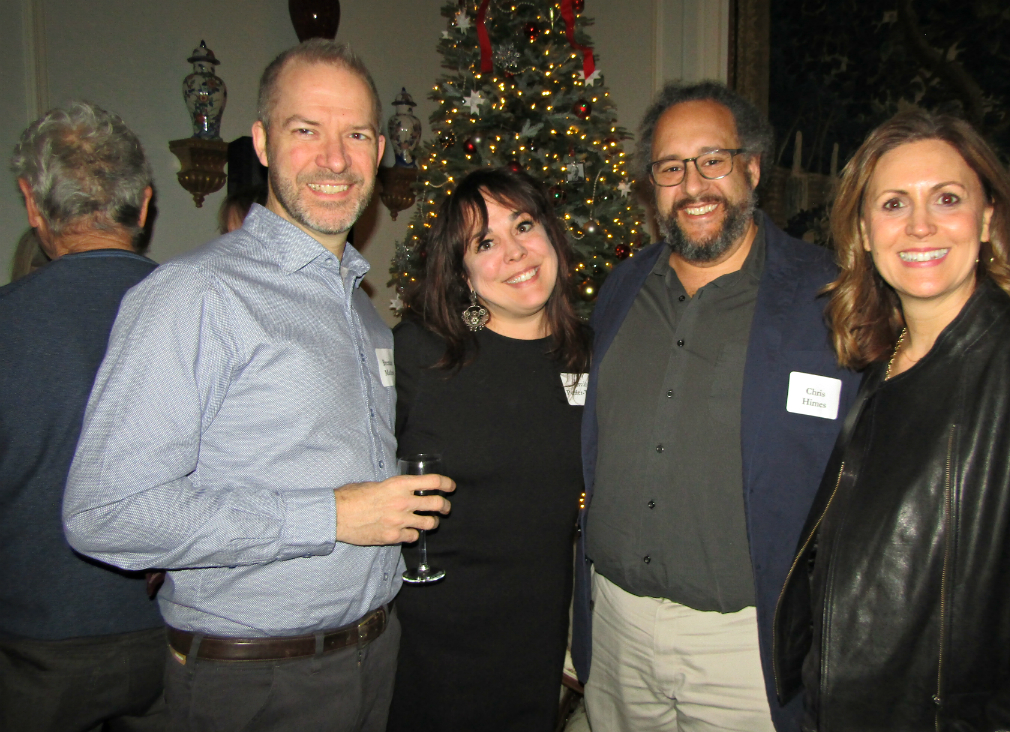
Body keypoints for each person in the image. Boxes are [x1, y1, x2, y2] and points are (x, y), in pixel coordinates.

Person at [63, 40, 454, 732]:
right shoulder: (196, 294)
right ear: (264, 143)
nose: (336, 159)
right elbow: (105, 512)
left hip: (371, 657)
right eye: (307, 130)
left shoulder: (362, 309)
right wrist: (328, 517)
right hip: (252, 682)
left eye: (356, 134)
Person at [773, 109, 1010, 731]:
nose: (919, 226)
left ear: (988, 216)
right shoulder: (877, 365)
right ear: (863, 230)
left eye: (946, 198)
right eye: (892, 204)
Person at [573, 80, 859, 732]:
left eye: (714, 160)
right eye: (672, 167)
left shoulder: (827, 298)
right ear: (653, 185)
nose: (693, 184)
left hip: (744, 645)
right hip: (616, 624)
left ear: (751, 168)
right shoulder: (621, 289)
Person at [386, 168, 589, 731]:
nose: (516, 253)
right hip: (429, 646)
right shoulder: (421, 353)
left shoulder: (591, 356)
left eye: (524, 225)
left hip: (536, 643)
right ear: (462, 272)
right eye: (486, 243)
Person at [0, 102, 162, 732]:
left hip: (35, 652)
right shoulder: (211, 310)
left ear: (32, 205)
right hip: (182, 641)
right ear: (144, 205)